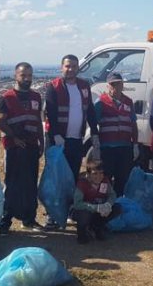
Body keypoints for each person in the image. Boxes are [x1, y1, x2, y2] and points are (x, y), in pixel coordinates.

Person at [44, 54, 99, 229]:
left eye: (74, 66)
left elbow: (89, 110)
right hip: (58, 141)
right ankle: (52, 216)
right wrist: (55, 135)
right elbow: (50, 113)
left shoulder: (84, 86)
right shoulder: (54, 87)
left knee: (73, 178)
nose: (71, 69)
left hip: (76, 140)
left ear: (78, 68)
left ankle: (68, 212)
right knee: (56, 178)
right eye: (67, 66)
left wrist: (95, 132)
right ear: (62, 68)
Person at [0, 62, 45, 234]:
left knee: (31, 183)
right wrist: (14, 138)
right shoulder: (6, 97)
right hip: (14, 148)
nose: (27, 79)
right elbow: (0, 122)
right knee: (12, 184)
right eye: (23, 75)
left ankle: (29, 219)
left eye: (30, 76)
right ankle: (5, 221)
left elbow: (38, 121)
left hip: (31, 145)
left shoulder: (36, 97)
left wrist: (41, 141)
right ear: (16, 75)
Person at [94, 72, 139, 196]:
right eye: (112, 85)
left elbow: (133, 124)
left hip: (124, 147)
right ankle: (103, 201)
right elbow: (94, 125)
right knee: (106, 178)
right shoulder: (101, 102)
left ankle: (119, 204)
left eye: (118, 84)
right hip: (107, 147)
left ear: (122, 85)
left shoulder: (128, 102)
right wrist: (96, 144)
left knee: (123, 179)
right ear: (108, 86)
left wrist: (135, 145)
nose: (115, 87)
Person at [71, 160, 122, 244]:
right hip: (82, 211)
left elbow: (112, 195)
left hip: (99, 209)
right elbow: (77, 204)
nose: (99, 176)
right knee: (84, 215)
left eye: (101, 173)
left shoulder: (104, 181)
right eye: (95, 173)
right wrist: (96, 208)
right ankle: (81, 232)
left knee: (117, 208)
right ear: (88, 174)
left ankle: (97, 227)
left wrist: (108, 204)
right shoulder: (82, 183)